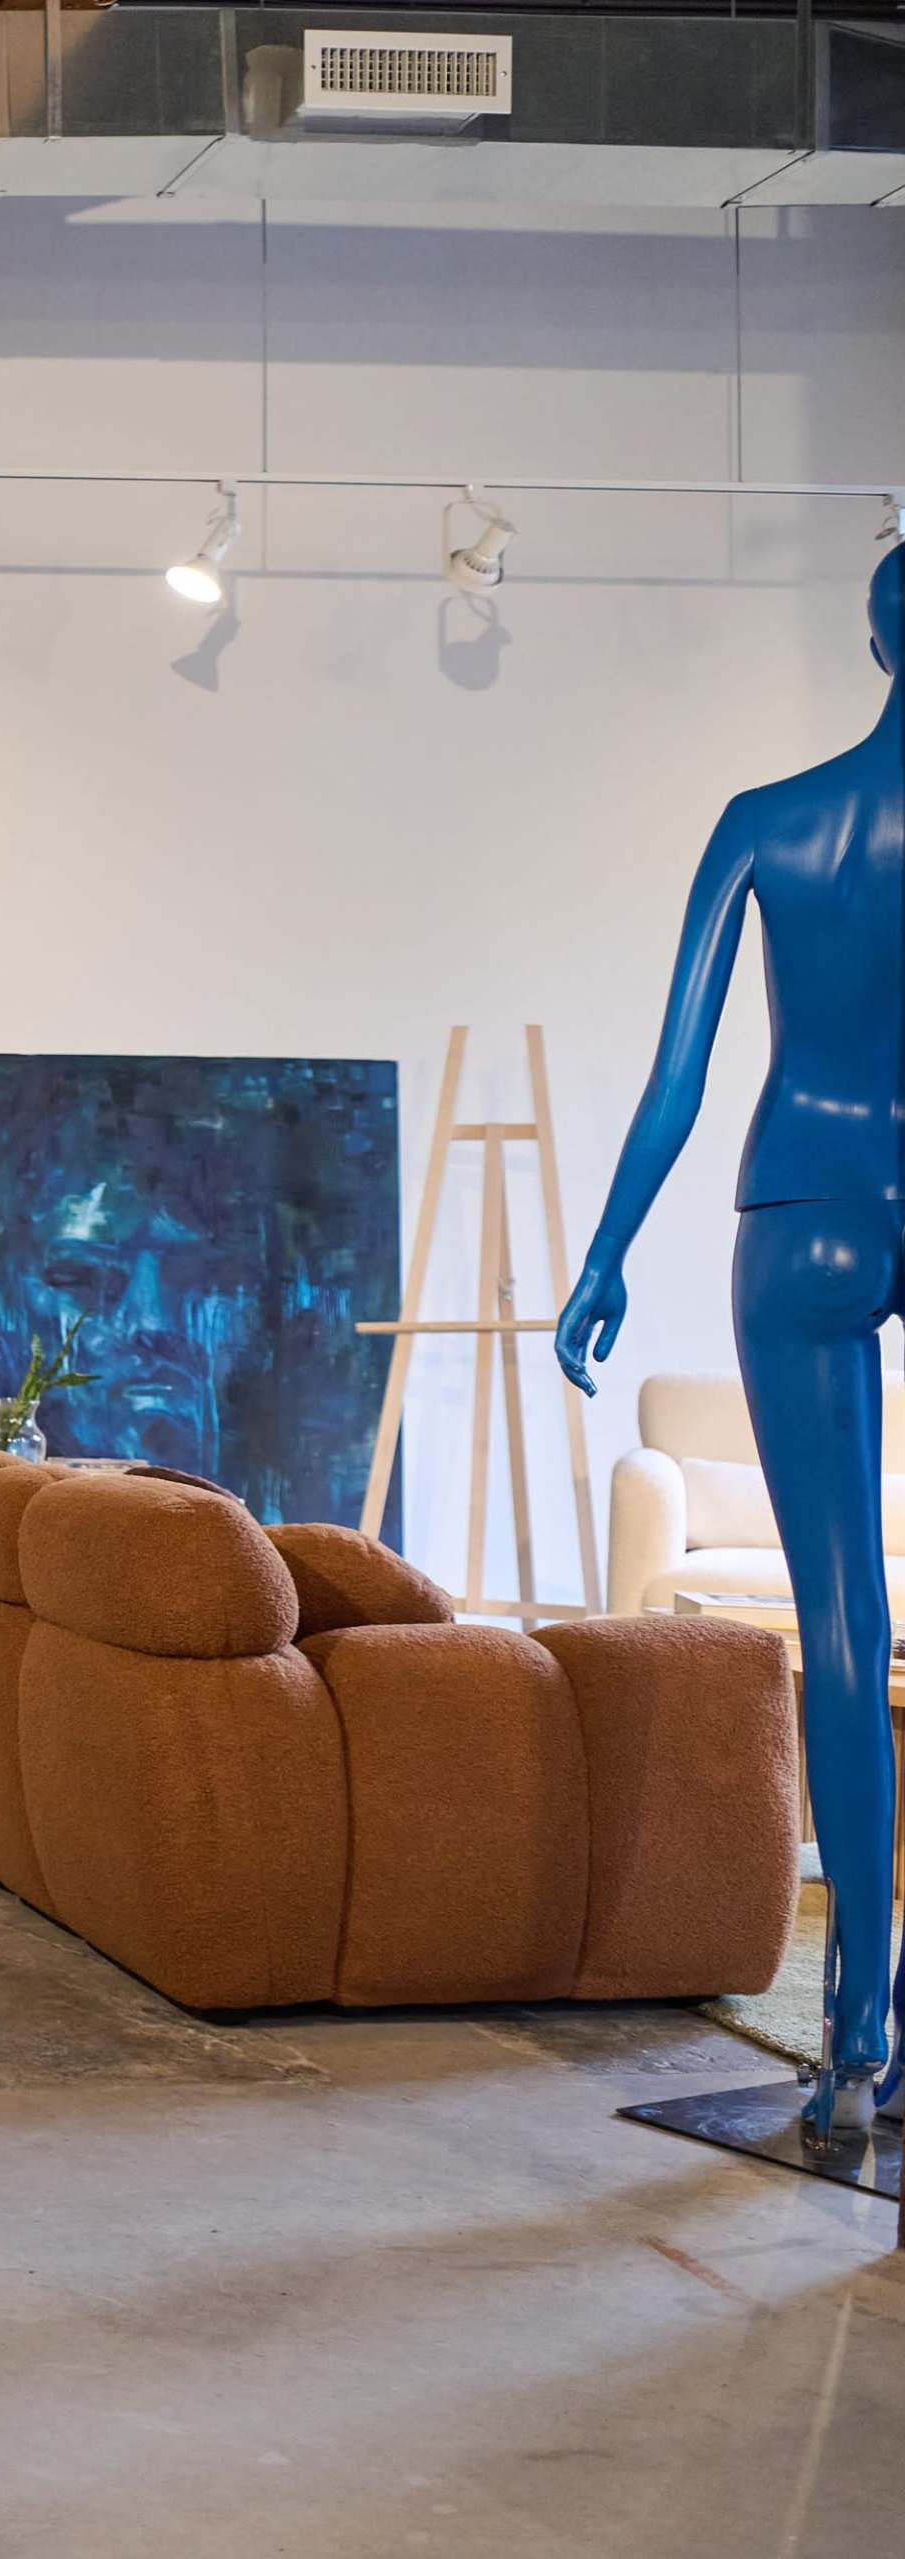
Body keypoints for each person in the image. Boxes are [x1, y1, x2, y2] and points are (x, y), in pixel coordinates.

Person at [558, 545, 905, 2150]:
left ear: (872, 635)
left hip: (805, 1203)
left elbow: (679, 1076)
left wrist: (608, 1248)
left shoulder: (772, 822)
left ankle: (859, 2028)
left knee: (842, 1621)